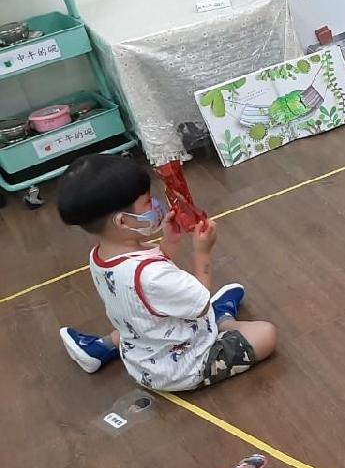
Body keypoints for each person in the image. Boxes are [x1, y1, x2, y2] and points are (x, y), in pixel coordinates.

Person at [55, 154, 277, 391]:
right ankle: (223, 320)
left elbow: (142, 292)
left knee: (136, 318)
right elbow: (199, 301)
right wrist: (202, 253)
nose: (156, 204)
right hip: (183, 368)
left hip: (141, 355)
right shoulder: (151, 275)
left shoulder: (101, 256)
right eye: (148, 201)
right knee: (266, 334)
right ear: (122, 221)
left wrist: (168, 243)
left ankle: (101, 347)